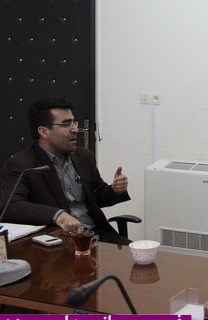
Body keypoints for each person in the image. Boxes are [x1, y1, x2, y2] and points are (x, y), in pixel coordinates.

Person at [0, 98, 132, 245]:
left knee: (140, 254)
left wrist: (116, 190)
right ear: (44, 131)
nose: (75, 129)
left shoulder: (84, 157)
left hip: (94, 233)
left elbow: (97, 197)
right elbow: (10, 206)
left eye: (74, 122)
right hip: (57, 240)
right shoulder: (22, 164)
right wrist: (57, 215)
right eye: (66, 124)